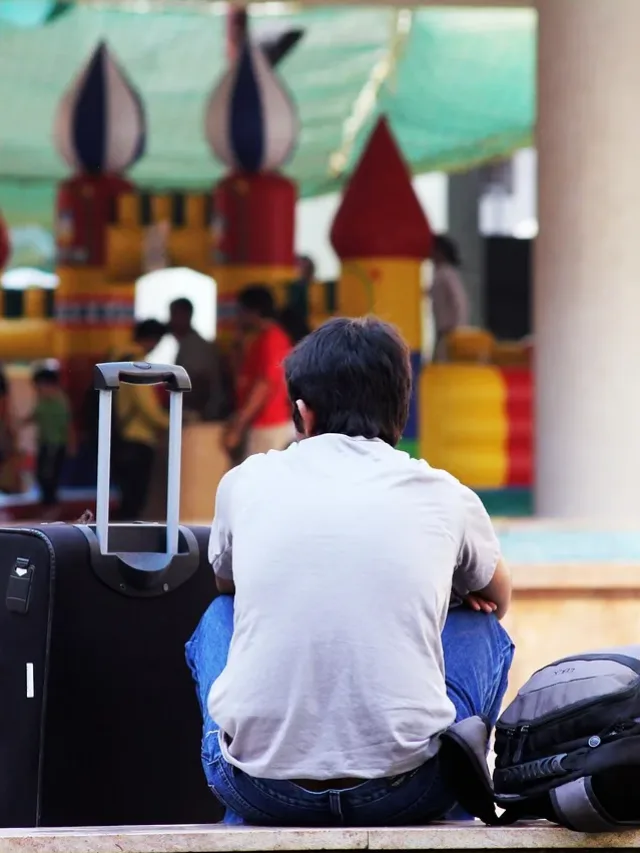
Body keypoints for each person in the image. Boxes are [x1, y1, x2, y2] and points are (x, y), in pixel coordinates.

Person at [186, 316, 514, 827]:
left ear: (302, 412)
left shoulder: (245, 482)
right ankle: (456, 794)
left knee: (219, 613)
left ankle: (247, 796)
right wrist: (443, 595)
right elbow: (498, 597)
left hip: (260, 789)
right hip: (410, 790)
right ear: (401, 411)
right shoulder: (445, 493)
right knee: (481, 625)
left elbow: (225, 582)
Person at [225, 285, 294, 458]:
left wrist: (239, 425)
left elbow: (265, 385)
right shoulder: (259, 339)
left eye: (240, 310)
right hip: (260, 424)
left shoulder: (272, 339)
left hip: (269, 425)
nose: (237, 316)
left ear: (253, 311)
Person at [112, 320, 170, 521]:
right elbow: (147, 406)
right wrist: (171, 422)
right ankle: (127, 546)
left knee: (126, 496)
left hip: (119, 434)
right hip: (137, 438)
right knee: (134, 500)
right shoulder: (137, 362)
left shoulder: (117, 357)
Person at [24, 366, 74, 517]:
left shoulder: (60, 401)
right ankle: (47, 506)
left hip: (55, 445)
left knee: (48, 476)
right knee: (41, 476)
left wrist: (72, 444)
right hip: (44, 444)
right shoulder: (42, 400)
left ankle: (52, 508)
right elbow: (35, 415)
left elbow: (68, 424)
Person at [169, 297, 226, 421]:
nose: (170, 320)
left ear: (186, 315)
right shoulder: (186, 343)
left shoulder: (195, 345)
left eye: (174, 314)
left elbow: (199, 384)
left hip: (200, 416)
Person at [430, 235, 470, 360]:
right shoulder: (441, 273)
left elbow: (459, 301)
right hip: (443, 331)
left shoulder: (446, 273)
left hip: (449, 331)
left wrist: (458, 328)